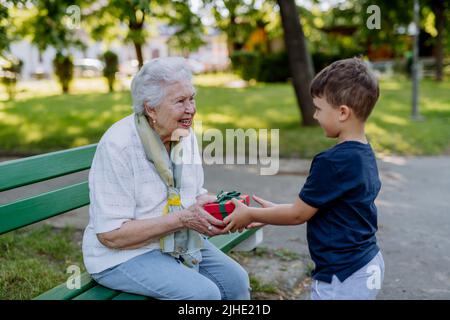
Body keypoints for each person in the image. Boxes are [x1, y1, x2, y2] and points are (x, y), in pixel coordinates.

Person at [82, 57, 250, 300]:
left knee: (236, 282)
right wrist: (182, 219)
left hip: (177, 242)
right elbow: (111, 235)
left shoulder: (184, 133)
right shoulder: (119, 145)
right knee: (204, 295)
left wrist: (228, 208)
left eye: (192, 98)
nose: (191, 109)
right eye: (180, 101)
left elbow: (194, 195)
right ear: (151, 108)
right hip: (124, 254)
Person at [224, 57, 385, 300]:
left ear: (342, 112)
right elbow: (319, 207)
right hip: (367, 263)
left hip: (343, 275)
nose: (314, 116)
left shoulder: (332, 162)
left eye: (319, 109)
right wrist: (274, 211)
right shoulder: (363, 152)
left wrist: (251, 213)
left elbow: (298, 214)